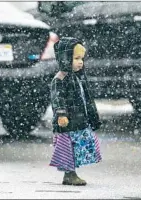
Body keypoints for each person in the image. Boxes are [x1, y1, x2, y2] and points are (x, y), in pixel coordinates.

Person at [49, 37, 102, 186]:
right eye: (76, 58)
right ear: (65, 58)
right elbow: (57, 99)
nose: (80, 62)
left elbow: (87, 99)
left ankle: (71, 173)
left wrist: (93, 116)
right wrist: (61, 114)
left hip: (79, 121)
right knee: (67, 149)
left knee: (77, 147)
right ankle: (69, 174)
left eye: (82, 58)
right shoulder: (60, 79)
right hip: (66, 123)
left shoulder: (78, 77)